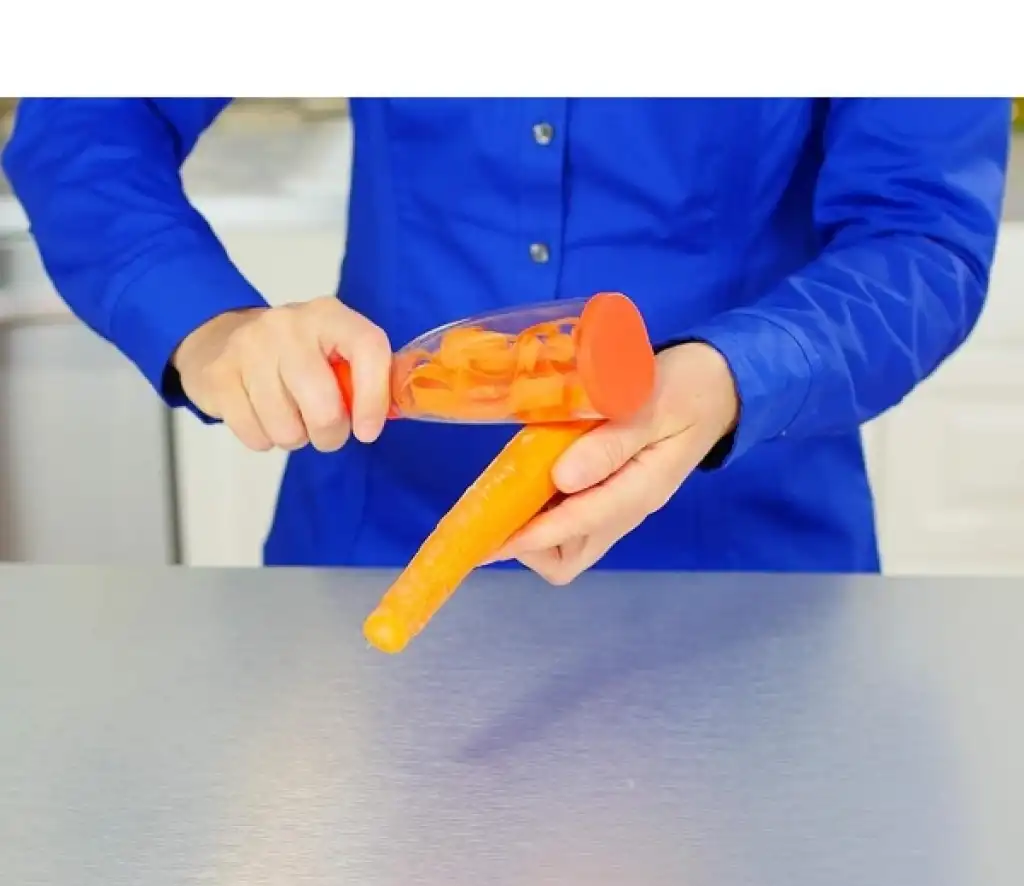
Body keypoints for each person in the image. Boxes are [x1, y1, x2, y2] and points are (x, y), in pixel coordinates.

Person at [2, 99, 1011, 581]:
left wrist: (728, 378)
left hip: (742, 568)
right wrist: (210, 326)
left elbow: (919, 237)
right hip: (373, 553)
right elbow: (86, 122)